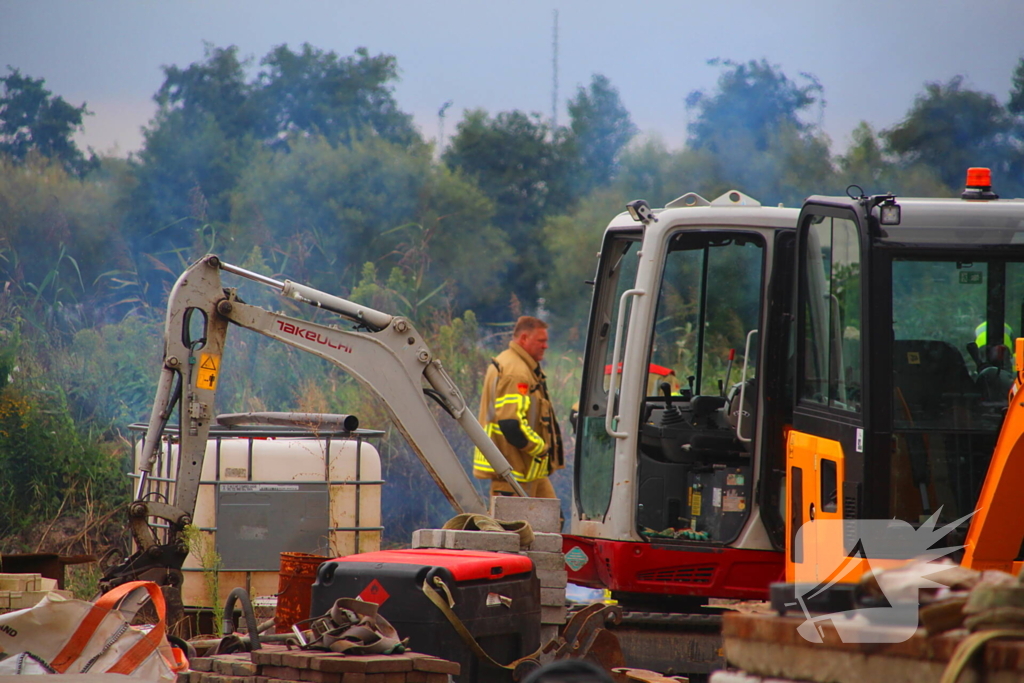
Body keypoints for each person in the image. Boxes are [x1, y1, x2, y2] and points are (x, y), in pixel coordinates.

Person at [473, 316, 564, 498]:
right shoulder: (516, 372)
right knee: (516, 526)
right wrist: (541, 448)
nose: (545, 346)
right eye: (541, 341)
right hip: (514, 470)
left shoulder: (516, 364)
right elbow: (510, 424)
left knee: (553, 520)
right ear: (524, 338)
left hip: (527, 469)